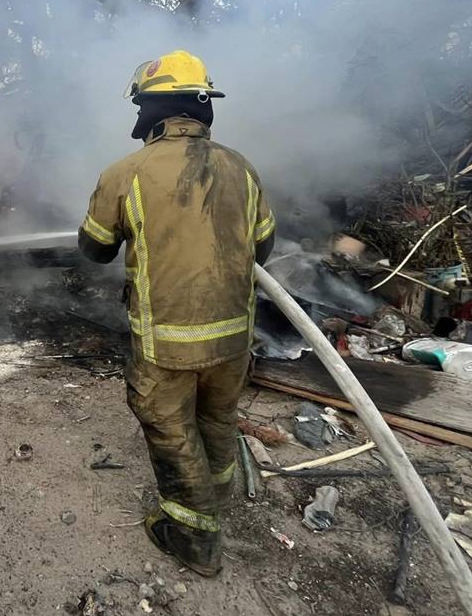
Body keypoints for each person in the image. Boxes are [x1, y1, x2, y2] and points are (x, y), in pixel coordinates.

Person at [77, 50, 276, 577]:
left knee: (169, 424)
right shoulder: (244, 167)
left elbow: (94, 247)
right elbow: (263, 246)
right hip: (235, 339)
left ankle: (193, 537)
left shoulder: (126, 173)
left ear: (152, 110)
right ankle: (219, 496)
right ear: (202, 107)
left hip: (166, 342)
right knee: (216, 416)